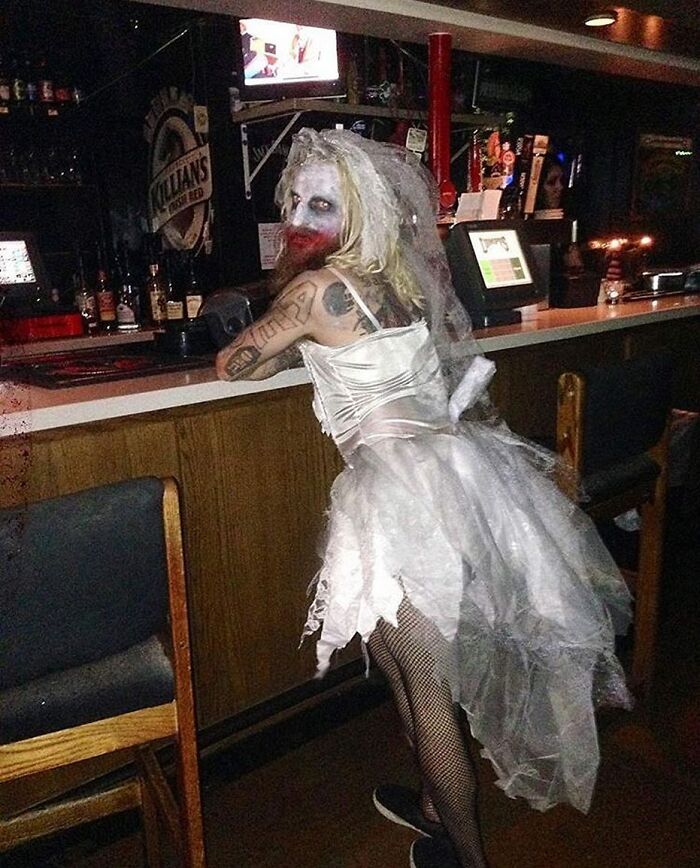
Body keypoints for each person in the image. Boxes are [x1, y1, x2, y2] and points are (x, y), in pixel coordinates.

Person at [216, 129, 633, 868]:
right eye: (298, 201)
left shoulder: (314, 290)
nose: (305, 217)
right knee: (401, 660)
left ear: (357, 212)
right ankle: (436, 803)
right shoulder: (397, 279)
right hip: (457, 480)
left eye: (323, 204)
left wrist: (271, 320)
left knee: (425, 686)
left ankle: (466, 855)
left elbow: (232, 362)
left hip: (395, 500)